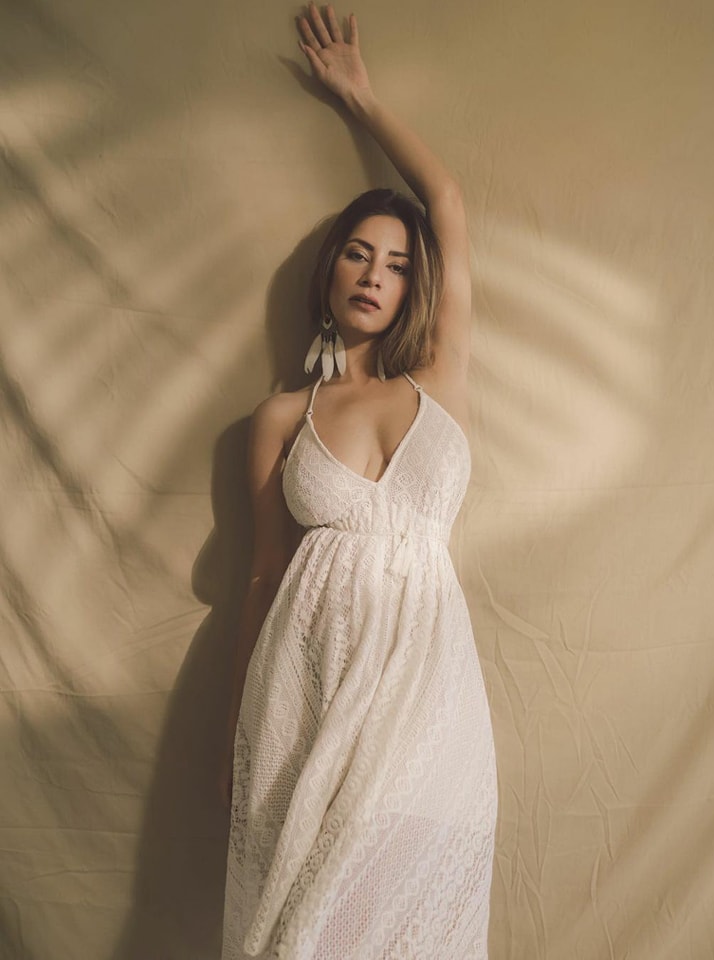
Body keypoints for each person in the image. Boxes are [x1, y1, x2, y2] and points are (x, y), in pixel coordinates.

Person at [220, 4, 498, 957]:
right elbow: (264, 574)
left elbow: (446, 200)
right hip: (306, 693)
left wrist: (360, 99)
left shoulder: (441, 377)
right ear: (330, 271)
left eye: (397, 264)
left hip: (427, 696)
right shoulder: (279, 419)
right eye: (357, 253)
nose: (375, 275)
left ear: (417, 285)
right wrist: (240, 736)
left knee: (407, 924)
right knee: (300, 931)